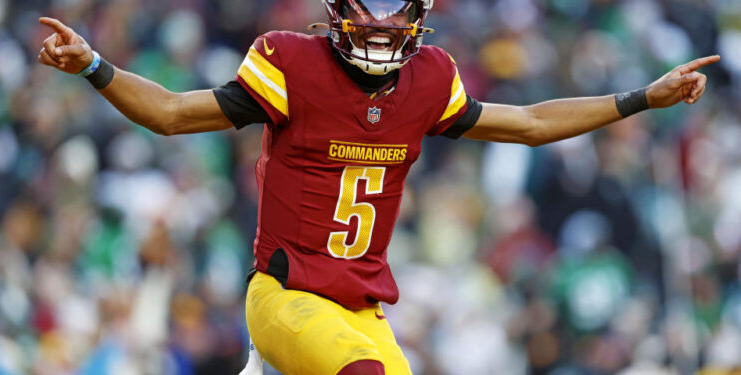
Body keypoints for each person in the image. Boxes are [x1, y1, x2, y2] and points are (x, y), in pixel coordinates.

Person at [37, 0, 719, 374]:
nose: (383, 25)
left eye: (396, 11)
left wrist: (640, 99)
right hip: (284, 293)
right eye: (372, 9)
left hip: (360, 311)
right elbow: (170, 114)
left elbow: (533, 123)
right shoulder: (289, 63)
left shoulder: (430, 79)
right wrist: (94, 64)